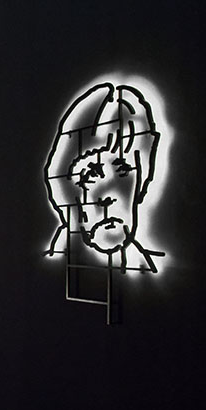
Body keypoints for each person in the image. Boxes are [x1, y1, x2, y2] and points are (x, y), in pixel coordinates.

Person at [44, 82, 165, 273]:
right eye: (91, 176)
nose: (109, 196)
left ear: (142, 181)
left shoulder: (142, 265)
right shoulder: (53, 267)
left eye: (123, 171)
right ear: (67, 193)